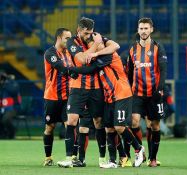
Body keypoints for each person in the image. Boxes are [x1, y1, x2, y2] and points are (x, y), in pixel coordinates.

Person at [69, 34, 145, 168]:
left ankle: (139, 149)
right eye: (95, 45)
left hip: (122, 93)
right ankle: (112, 161)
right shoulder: (98, 58)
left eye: (99, 44)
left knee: (119, 126)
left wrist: (71, 70)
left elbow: (89, 69)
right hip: (110, 97)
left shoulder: (108, 56)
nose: (98, 46)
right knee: (109, 129)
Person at [57, 17, 117, 168]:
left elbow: (115, 46)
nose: (88, 36)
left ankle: (103, 160)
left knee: (98, 123)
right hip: (77, 88)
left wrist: (98, 51)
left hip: (96, 88)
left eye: (90, 33)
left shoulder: (96, 36)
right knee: (71, 121)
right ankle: (69, 158)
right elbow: (82, 60)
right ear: (79, 30)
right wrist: (97, 46)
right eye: (86, 33)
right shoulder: (72, 42)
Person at [127, 17, 167, 167]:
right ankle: (140, 152)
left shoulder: (158, 48)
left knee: (154, 126)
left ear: (151, 29)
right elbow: (129, 73)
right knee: (133, 122)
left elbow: (163, 71)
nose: (143, 31)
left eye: (146, 28)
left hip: (153, 94)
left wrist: (160, 89)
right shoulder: (132, 50)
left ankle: (153, 158)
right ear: (138, 30)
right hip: (137, 93)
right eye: (141, 28)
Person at [42, 28, 77, 166]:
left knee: (69, 125)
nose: (69, 41)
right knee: (50, 127)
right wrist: (73, 72)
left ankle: (72, 157)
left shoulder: (70, 53)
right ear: (58, 38)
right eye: (66, 38)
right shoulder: (50, 53)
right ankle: (48, 157)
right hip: (51, 97)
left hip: (67, 97)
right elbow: (59, 66)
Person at [0, 71, 21, 139]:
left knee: (5, 119)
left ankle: (12, 132)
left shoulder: (12, 83)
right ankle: (3, 134)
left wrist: (5, 83)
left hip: (13, 108)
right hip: (3, 108)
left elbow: (14, 91)